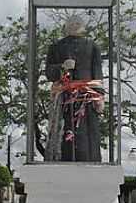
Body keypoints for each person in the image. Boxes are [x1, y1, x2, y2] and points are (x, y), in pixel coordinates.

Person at [45, 15, 104, 162]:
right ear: (66, 26)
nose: (75, 24)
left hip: (88, 98)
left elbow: (97, 73)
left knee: (88, 136)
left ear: (83, 26)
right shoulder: (55, 47)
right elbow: (49, 73)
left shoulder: (93, 46)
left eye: (78, 22)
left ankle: (91, 161)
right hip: (64, 98)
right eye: (72, 22)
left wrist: (100, 96)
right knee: (64, 133)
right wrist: (62, 67)